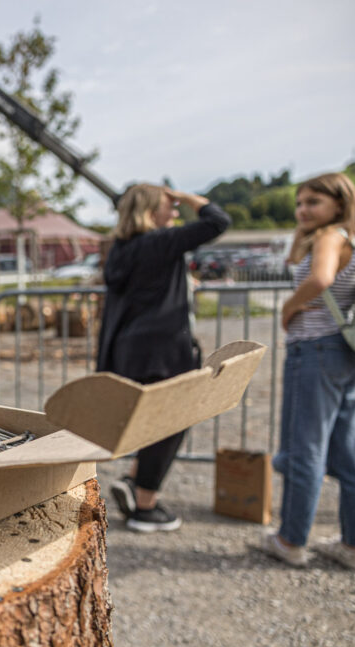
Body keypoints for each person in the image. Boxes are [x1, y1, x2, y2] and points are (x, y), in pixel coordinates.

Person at [98, 185, 230, 532]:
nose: (174, 213)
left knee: (154, 422)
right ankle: (146, 505)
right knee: (169, 424)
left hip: (130, 349)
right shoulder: (160, 242)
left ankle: (133, 481)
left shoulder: (120, 249)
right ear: (148, 211)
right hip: (163, 350)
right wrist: (188, 197)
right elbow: (218, 221)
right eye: (167, 207)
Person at [263, 172, 355, 570]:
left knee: (305, 448)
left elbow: (320, 278)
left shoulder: (329, 237)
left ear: (339, 203)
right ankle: (352, 544)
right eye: (300, 203)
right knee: (346, 450)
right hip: (342, 349)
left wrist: (288, 308)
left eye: (313, 202)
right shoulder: (345, 239)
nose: (303, 209)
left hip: (314, 348)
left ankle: (291, 540)